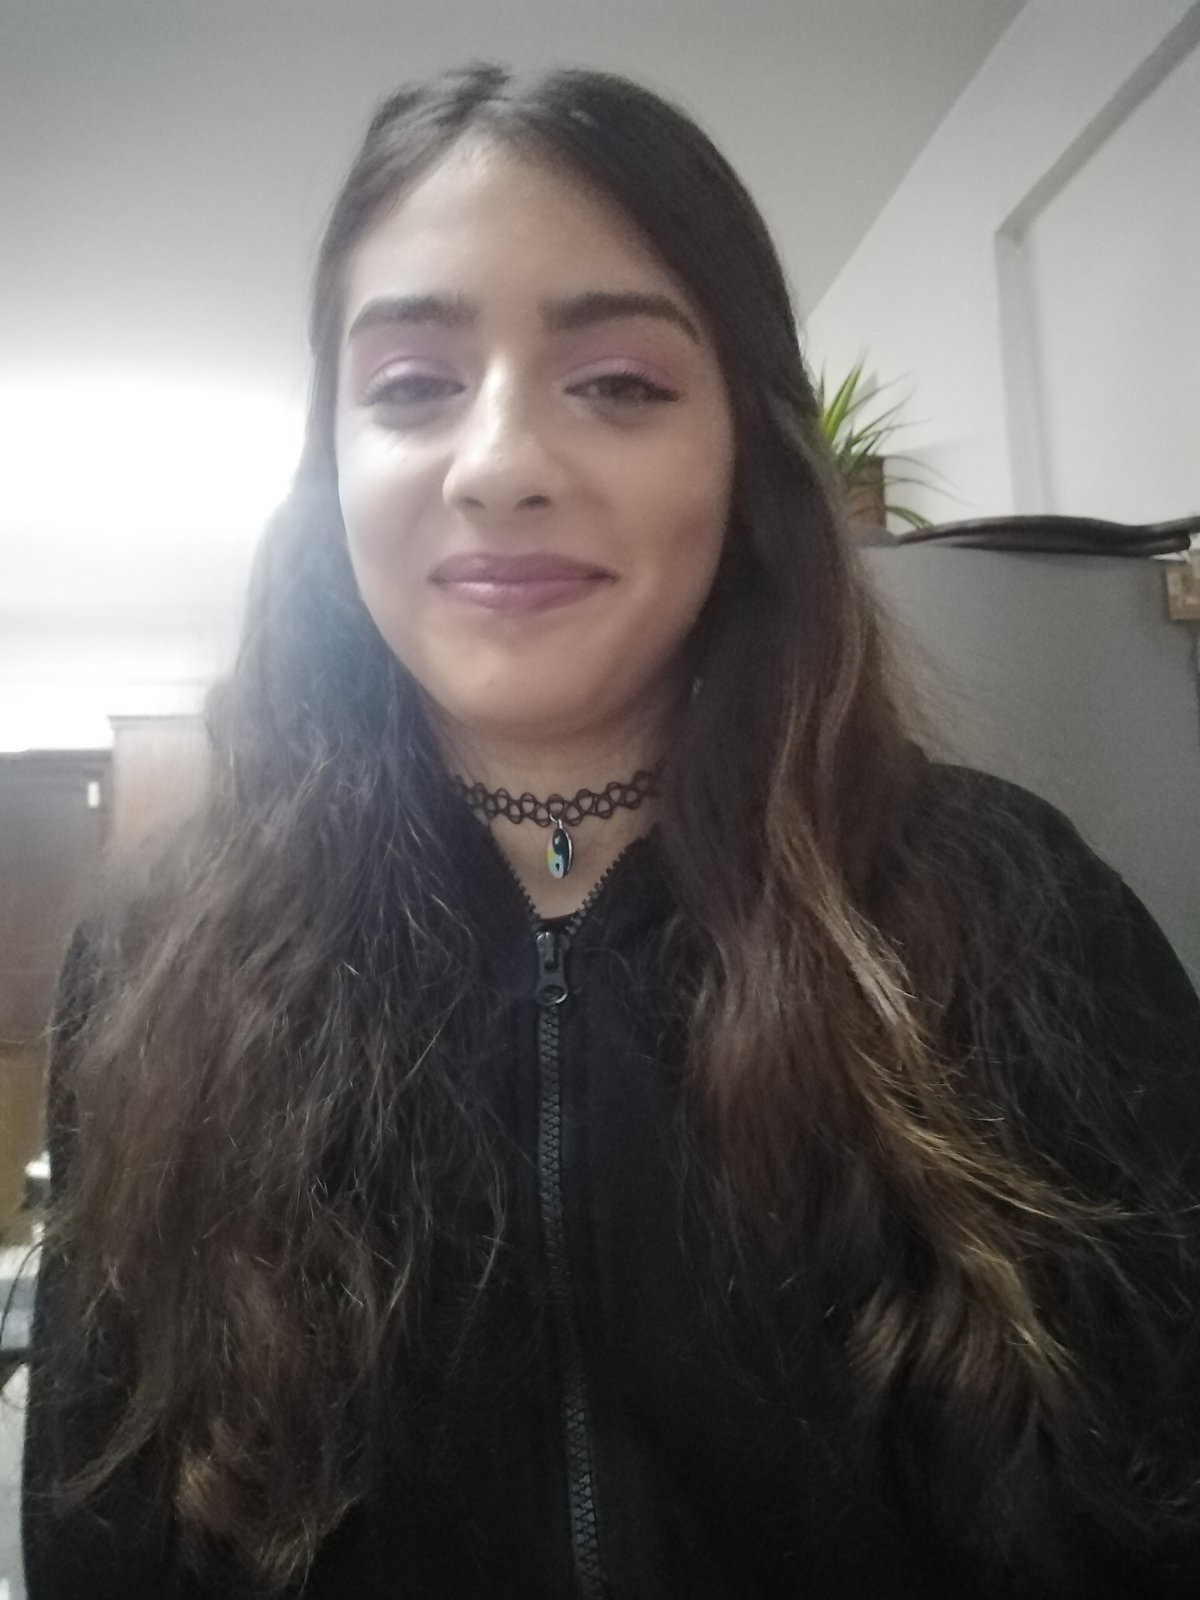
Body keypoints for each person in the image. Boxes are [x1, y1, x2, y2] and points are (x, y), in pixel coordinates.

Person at [16, 60, 1200, 1600]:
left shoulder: (1014, 907)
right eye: (410, 386)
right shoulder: (156, 963)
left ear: (748, 456)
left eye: (623, 384)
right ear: (331, 469)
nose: (501, 464)